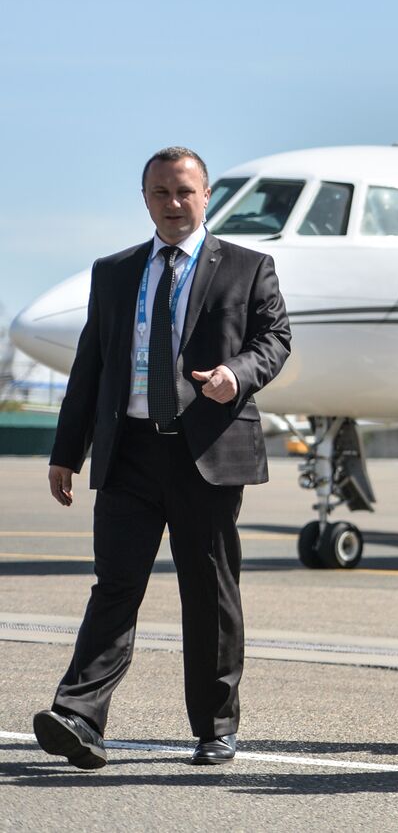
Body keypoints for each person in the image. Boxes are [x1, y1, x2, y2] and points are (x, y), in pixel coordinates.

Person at [36, 147, 291, 769]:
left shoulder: (248, 266)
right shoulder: (115, 271)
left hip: (204, 451)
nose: (173, 204)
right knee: (116, 587)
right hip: (129, 451)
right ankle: (78, 715)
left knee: (209, 591)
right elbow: (90, 365)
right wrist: (67, 451)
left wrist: (237, 373)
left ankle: (214, 726)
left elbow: (275, 338)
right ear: (145, 198)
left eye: (184, 192)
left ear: (206, 196)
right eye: (160, 193)